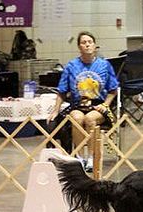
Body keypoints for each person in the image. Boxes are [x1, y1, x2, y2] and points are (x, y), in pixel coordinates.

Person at [48, 31, 119, 169]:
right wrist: (55, 111)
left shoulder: (104, 65)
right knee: (76, 117)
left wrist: (105, 105)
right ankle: (79, 157)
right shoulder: (71, 66)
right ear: (79, 47)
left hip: (98, 105)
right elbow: (62, 91)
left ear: (95, 45)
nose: (87, 45)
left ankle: (92, 158)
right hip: (78, 105)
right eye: (83, 43)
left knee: (90, 120)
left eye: (89, 42)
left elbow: (113, 90)